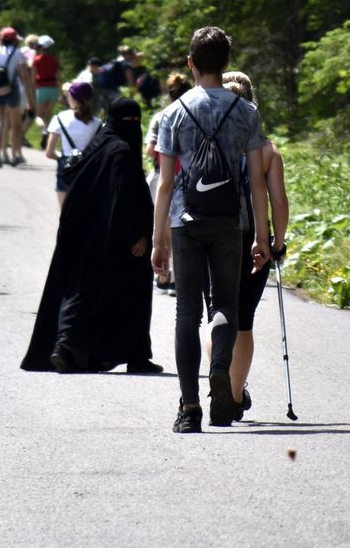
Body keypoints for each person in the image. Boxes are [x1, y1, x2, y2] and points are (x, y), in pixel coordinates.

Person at [153, 26, 270, 433]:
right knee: (224, 304)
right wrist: (260, 235)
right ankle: (220, 372)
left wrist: (158, 240)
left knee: (186, 312)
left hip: (186, 222)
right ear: (225, 64)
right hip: (229, 221)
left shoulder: (174, 112)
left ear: (190, 64)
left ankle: (189, 409)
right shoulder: (245, 112)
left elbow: (166, 182)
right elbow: (256, 180)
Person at [22, 98, 162, 375]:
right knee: (127, 293)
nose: (132, 126)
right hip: (117, 237)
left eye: (136, 121)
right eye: (129, 121)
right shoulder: (121, 152)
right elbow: (125, 197)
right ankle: (130, 355)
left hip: (87, 233)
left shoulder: (100, 144)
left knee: (86, 291)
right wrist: (139, 234)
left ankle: (71, 348)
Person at [212, 71, 288, 421]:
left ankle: (217, 381)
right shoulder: (268, 150)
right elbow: (279, 202)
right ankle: (235, 391)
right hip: (253, 237)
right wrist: (277, 240)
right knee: (243, 321)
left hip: (213, 234)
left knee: (217, 315)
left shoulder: (209, 141)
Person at [145, 72, 192, 293]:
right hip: (186, 178)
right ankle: (175, 278)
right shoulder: (193, 115)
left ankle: (162, 276)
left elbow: (149, 150)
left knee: (163, 228)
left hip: (162, 176)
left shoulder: (161, 117)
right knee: (178, 229)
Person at [44, 81, 102, 207]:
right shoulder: (98, 123)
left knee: (65, 214)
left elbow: (49, 153)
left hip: (66, 167)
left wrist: (63, 158)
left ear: (72, 98)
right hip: (88, 169)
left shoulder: (59, 118)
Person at [0, 27, 35, 167]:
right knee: (15, 124)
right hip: (11, 90)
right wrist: (31, 98)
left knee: (0, 122)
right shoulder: (18, 53)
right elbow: (24, 77)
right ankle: (14, 155)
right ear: (14, 39)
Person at [31, 34, 61, 135]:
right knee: (48, 115)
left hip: (41, 88)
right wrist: (60, 92)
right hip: (53, 89)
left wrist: (32, 91)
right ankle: (48, 137)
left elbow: (32, 77)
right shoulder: (55, 60)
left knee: (38, 116)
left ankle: (44, 131)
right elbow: (58, 77)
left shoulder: (36, 60)